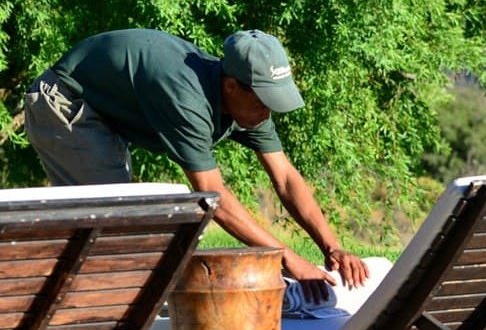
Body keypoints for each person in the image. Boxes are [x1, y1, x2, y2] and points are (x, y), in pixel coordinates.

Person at [23, 28, 368, 300]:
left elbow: (286, 178)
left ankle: (107, 319)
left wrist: (332, 246)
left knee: (124, 237)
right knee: (118, 232)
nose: (268, 112)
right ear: (232, 86)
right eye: (264, 101)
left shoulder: (249, 102)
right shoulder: (186, 97)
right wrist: (288, 258)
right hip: (65, 103)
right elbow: (211, 195)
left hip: (103, 112)